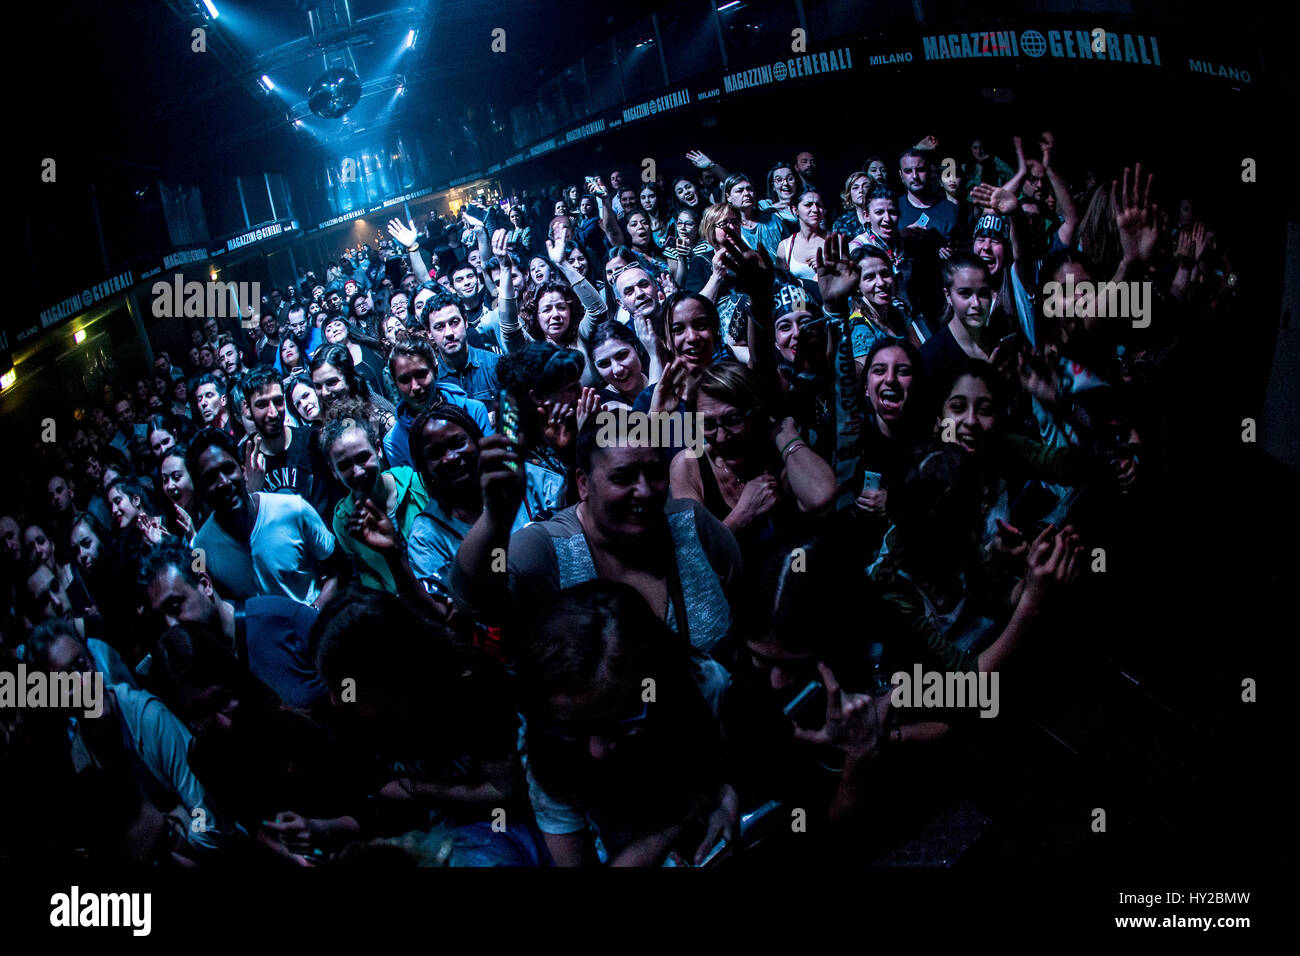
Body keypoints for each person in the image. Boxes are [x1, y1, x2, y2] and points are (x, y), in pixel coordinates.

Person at [516, 581, 738, 866]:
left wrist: (726, 794)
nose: (597, 750)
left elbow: (725, 766)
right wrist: (681, 819)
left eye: (620, 721)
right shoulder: (545, 743)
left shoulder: (706, 686)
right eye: (573, 730)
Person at [140, 538, 328, 709]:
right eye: (160, 618)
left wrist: (346, 706)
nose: (171, 626)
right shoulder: (197, 674)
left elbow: (351, 674)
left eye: (175, 605)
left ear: (205, 584)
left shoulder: (284, 619)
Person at [669, 361, 836, 553]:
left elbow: (821, 498)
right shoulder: (689, 465)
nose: (721, 437)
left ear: (756, 413)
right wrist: (742, 515)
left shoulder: (780, 459)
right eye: (708, 424)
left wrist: (784, 433)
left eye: (733, 420)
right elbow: (692, 559)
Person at [406, 403, 564, 590]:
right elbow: (445, 610)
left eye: (458, 443)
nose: (451, 458)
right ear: (425, 467)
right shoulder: (427, 535)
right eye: (436, 453)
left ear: (477, 440)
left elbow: (575, 525)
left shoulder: (521, 478)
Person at [187, 427, 342, 606]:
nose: (223, 482)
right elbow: (209, 602)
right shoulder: (200, 549)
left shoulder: (294, 509)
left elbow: (339, 569)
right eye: (210, 478)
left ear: (243, 468)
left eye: (228, 469)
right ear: (199, 489)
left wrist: (313, 614)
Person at [322, 416, 429, 594]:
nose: (358, 472)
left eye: (363, 457)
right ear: (334, 471)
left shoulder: (418, 486)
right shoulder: (343, 521)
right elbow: (367, 573)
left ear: (378, 449)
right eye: (344, 465)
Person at [382, 338, 493, 470]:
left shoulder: (474, 410)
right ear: (395, 383)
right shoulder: (394, 442)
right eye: (405, 380)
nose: (415, 386)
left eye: (421, 374)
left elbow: (491, 465)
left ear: (435, 370)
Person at [424, 288, 502, 402]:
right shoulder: (431, 382)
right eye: (439, 327)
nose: (449, 333)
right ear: (429, 333)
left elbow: (513, 414)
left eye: (454, 322)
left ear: (465, 321)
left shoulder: (495, 365)